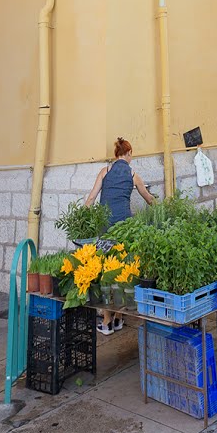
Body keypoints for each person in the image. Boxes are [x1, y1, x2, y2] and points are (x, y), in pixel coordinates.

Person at [83, 137, 157, 334]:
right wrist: (163, 209)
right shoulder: (133, 175)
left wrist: (82, 219)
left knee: (106, 271)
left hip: (105, 228)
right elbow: (149, 199)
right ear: (129, 153)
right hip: (125, 228)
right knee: (123, 271)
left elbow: (91, 197)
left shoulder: (104, 171)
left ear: (116, 154)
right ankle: (117, 318)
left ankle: (107, 320)